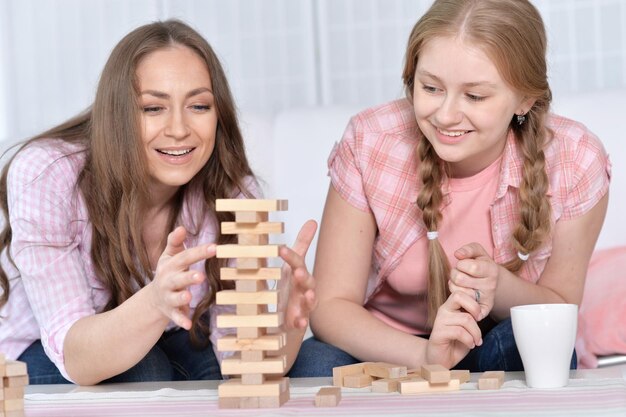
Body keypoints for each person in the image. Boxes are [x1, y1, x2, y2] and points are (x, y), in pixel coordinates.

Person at [289, 0, 610, 377]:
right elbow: (330, 306)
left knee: (535, 349)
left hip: (487, 342)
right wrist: (426, 357)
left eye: (475, 96)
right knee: (314, 364)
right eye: (431, 88)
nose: (445, 115)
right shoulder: (371, 141)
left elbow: (558, 311)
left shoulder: (575, 159)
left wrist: (498, 286)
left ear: (525, 98)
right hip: (387, 346)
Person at [0, 19, 317, 385]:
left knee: (233, 373)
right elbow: (78, 359)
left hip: (168, 336)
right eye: (153, 108)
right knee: (146, 370)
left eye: (199, 106)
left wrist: (284, 323)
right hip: (53, 348)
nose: (180, 129)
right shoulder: (46, 174)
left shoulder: (233, 192)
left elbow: (242, 362)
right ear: (117, 115)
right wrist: (154, 301)